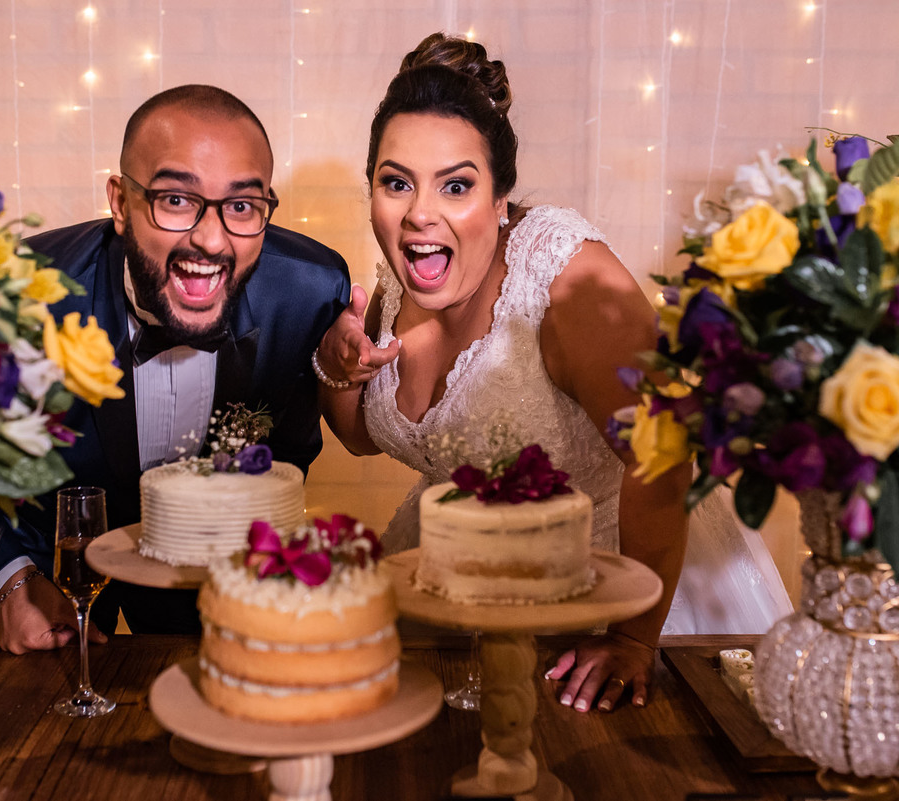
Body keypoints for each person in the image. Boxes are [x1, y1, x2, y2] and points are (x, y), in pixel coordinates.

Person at [314, 34, 792, 713]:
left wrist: (632, 636)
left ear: (500, 198)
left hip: (617, 590)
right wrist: (337, 367)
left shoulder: (562, 277)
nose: (420, 212)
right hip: (460, 588)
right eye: (397, 183)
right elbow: (362, 436)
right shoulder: (398, 282)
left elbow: (662, 455)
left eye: (456, 185)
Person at [0, 85, 351, 653]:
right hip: (37, 576)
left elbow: (288, 454)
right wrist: (10, 581)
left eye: (241, 206)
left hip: (210, 585)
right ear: (121, 204)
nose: (211, 239)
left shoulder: (308, 292)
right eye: (175, 199)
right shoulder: (14, 292)